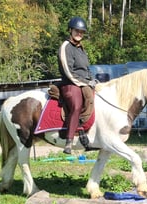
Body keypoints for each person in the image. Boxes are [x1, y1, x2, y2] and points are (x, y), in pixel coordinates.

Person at [58, 16, 97, 154]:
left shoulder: (81, 49)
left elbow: (87, 69)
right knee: (77, 105)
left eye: (81, 32)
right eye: (77, 31)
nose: (79, 33)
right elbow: (68, 71)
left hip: (84, 83)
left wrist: (93, 80)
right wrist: (85, 82)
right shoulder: (66, 46)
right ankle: (69, 142)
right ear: (70, 30)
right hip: (70, 84)